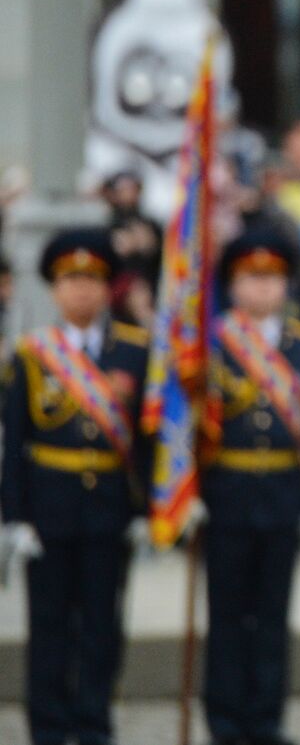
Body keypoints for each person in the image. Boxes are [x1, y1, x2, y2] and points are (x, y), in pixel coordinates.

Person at [0, 229, 150, 745]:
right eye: (70, 281)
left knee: (102, 623)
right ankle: (48, 725)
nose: (81, 291)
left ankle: (93, 721)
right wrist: (14, 519)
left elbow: (148, 438)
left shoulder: (134, 351)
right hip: (49, 508)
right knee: (49, 624)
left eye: (92, 281)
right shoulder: (32, 354)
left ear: (109, 288)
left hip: (110, 509)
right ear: (53, 289)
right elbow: (14, 441)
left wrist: (148, 509)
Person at [201, 230, 300, 745]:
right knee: (228, 614)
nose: (262, 288)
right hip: (226, 492)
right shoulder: (210, 342)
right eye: (250, 278)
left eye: (272, 277)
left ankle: (266, 719)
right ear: (233, 284)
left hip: (283, 491)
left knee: (274, 615)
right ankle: (224, 720)